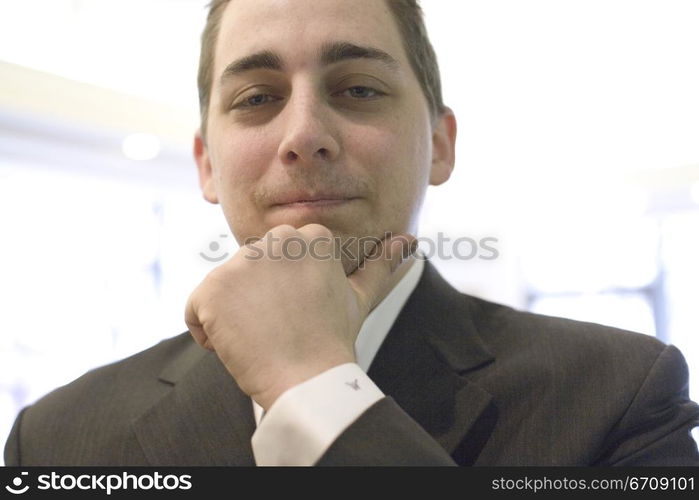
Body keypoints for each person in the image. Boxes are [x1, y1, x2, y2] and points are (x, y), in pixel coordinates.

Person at [5, 0, 699, 466]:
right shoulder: (60, 437)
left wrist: (312, 387)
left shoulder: (620, 396)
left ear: (439, 145)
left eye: (358, 89)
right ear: (205, 163)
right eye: (256, 98)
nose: (304, 135)